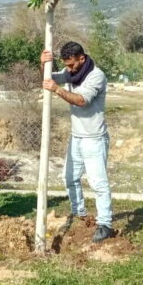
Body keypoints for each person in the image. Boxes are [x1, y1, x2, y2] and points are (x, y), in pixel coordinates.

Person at [41, 42, 112, 243]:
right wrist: (44, 65)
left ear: (81, 58)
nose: (69, 69)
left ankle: (105, 224)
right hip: (77, 137)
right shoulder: (71, 72)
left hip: (94, 139)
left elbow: (81, 100)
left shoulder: (96, 76)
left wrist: (57, 90)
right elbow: (49, 78)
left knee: (98, 183)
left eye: (72, 65)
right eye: (67, 66)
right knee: (69, 177)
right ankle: (80, 214)